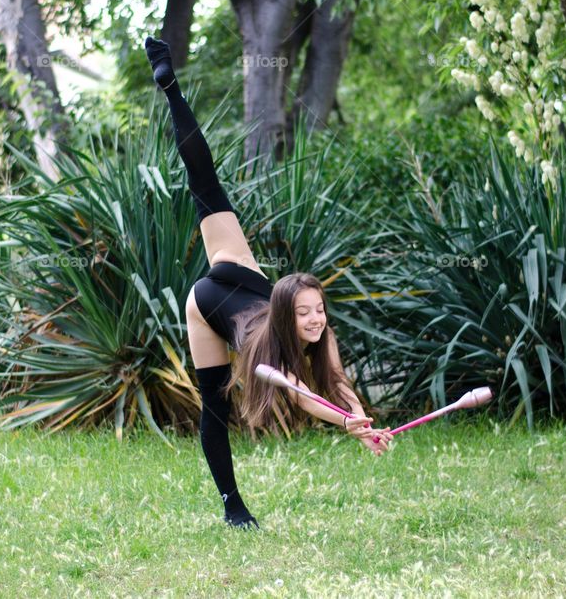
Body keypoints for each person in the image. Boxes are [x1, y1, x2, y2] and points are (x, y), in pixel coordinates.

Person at [144, 36, 393, 530]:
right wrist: (345, 423)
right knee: (214, 410)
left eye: (317, 309)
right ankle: (232, 506)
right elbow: (302, 394)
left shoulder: (310, 319)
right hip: (207, 305)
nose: (315, 320)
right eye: (304, 314)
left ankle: (171, 89)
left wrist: (360, 420)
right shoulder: (267, 352)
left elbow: (336, 381)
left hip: (241, 269)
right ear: (286, 315)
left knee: (205, 184)